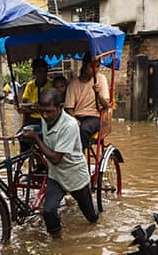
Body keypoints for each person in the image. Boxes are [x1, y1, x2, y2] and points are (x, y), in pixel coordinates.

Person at [18, 88, 98, 239]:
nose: (45, 115)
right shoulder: (45, 117)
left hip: (74, 174)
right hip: (56, 174)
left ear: (60, 107)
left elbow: (55, 158)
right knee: (48, 211)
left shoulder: (70, 125)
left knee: (91, 217)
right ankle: (58, 244)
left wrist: (36, 138)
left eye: (49, 111)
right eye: (43, 111)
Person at [63, 53, 111, 147]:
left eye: (97, 66)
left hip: (94, 116)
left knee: (83, 129)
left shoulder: (101, 79)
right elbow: (69, 108)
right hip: (77, 116)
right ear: (84, 66)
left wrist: (98, 94)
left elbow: (106, 105)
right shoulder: (73, 84)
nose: (95, 70)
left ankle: (80, 155)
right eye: (92, 66)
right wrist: (74, 120)